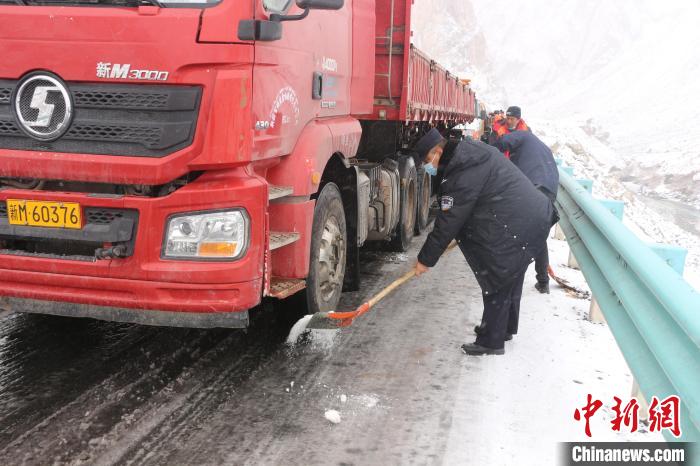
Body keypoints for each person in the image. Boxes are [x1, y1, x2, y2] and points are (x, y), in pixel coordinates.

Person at [412, 128, 555, 355]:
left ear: (439, 150)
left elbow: (448, 221)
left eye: (429, 159)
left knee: (497, 275)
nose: (428, 166)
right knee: (512, 275)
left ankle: (491, 341)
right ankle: (503, 329)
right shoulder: (469, 152)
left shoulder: (461, 171)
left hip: (520, 221)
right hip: (532, 214)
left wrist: (425, 260)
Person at [495, 130, 560, 294]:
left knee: (516, 229)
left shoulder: (524, 136)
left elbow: (503, 143)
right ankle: (543, 282)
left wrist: (490, 144)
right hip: (549, 190)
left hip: (535, 188)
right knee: (539, 234)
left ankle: (508, 277)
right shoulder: (541, 148)